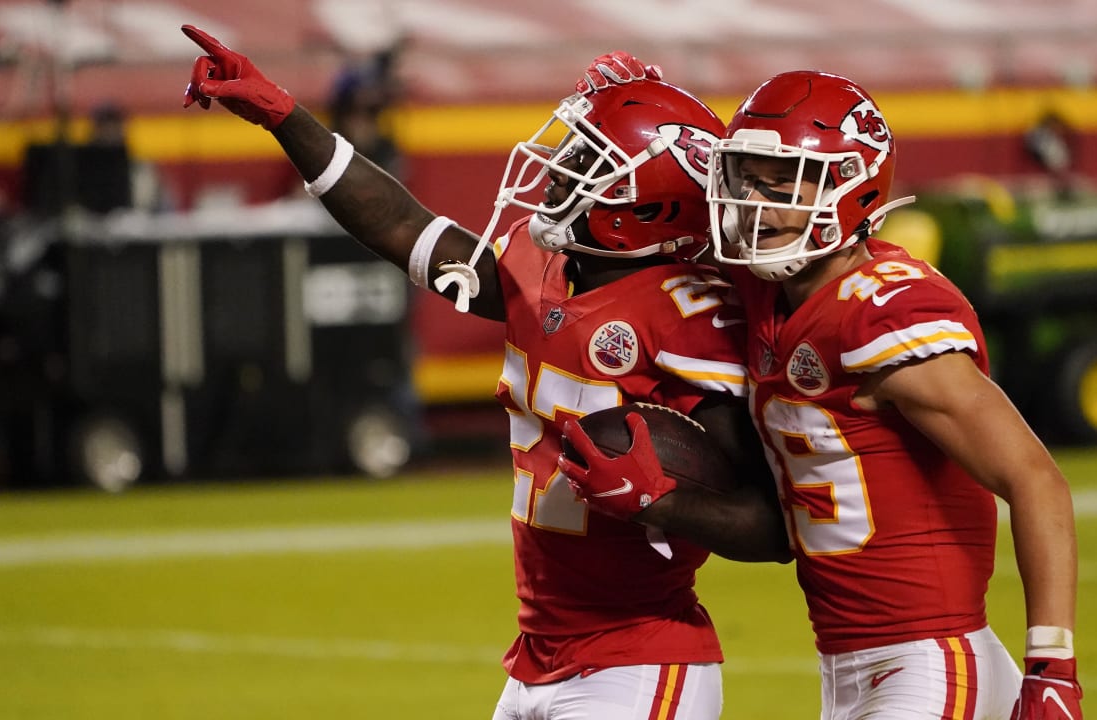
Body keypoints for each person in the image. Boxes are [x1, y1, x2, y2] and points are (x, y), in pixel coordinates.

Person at [179, 29, 788, 720]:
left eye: (588, 159)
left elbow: (775, 530)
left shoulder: (689, 322)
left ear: (644, 207)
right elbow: (402, 228)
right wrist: (285, 117)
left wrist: (665, 502)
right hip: (539, 655)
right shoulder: (540, 272)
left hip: (639, 660)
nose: (559, 168)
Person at [558, 67, 1083, 719]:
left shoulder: (882, 314)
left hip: (930, 660)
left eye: (782, 185)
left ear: (854, 192)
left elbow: (1036, 479)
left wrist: (1053, 667)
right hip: (853, 666)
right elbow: (665, 213)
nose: (755, 204)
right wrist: (643, 105)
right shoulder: (766, 290)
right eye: (746, 179)